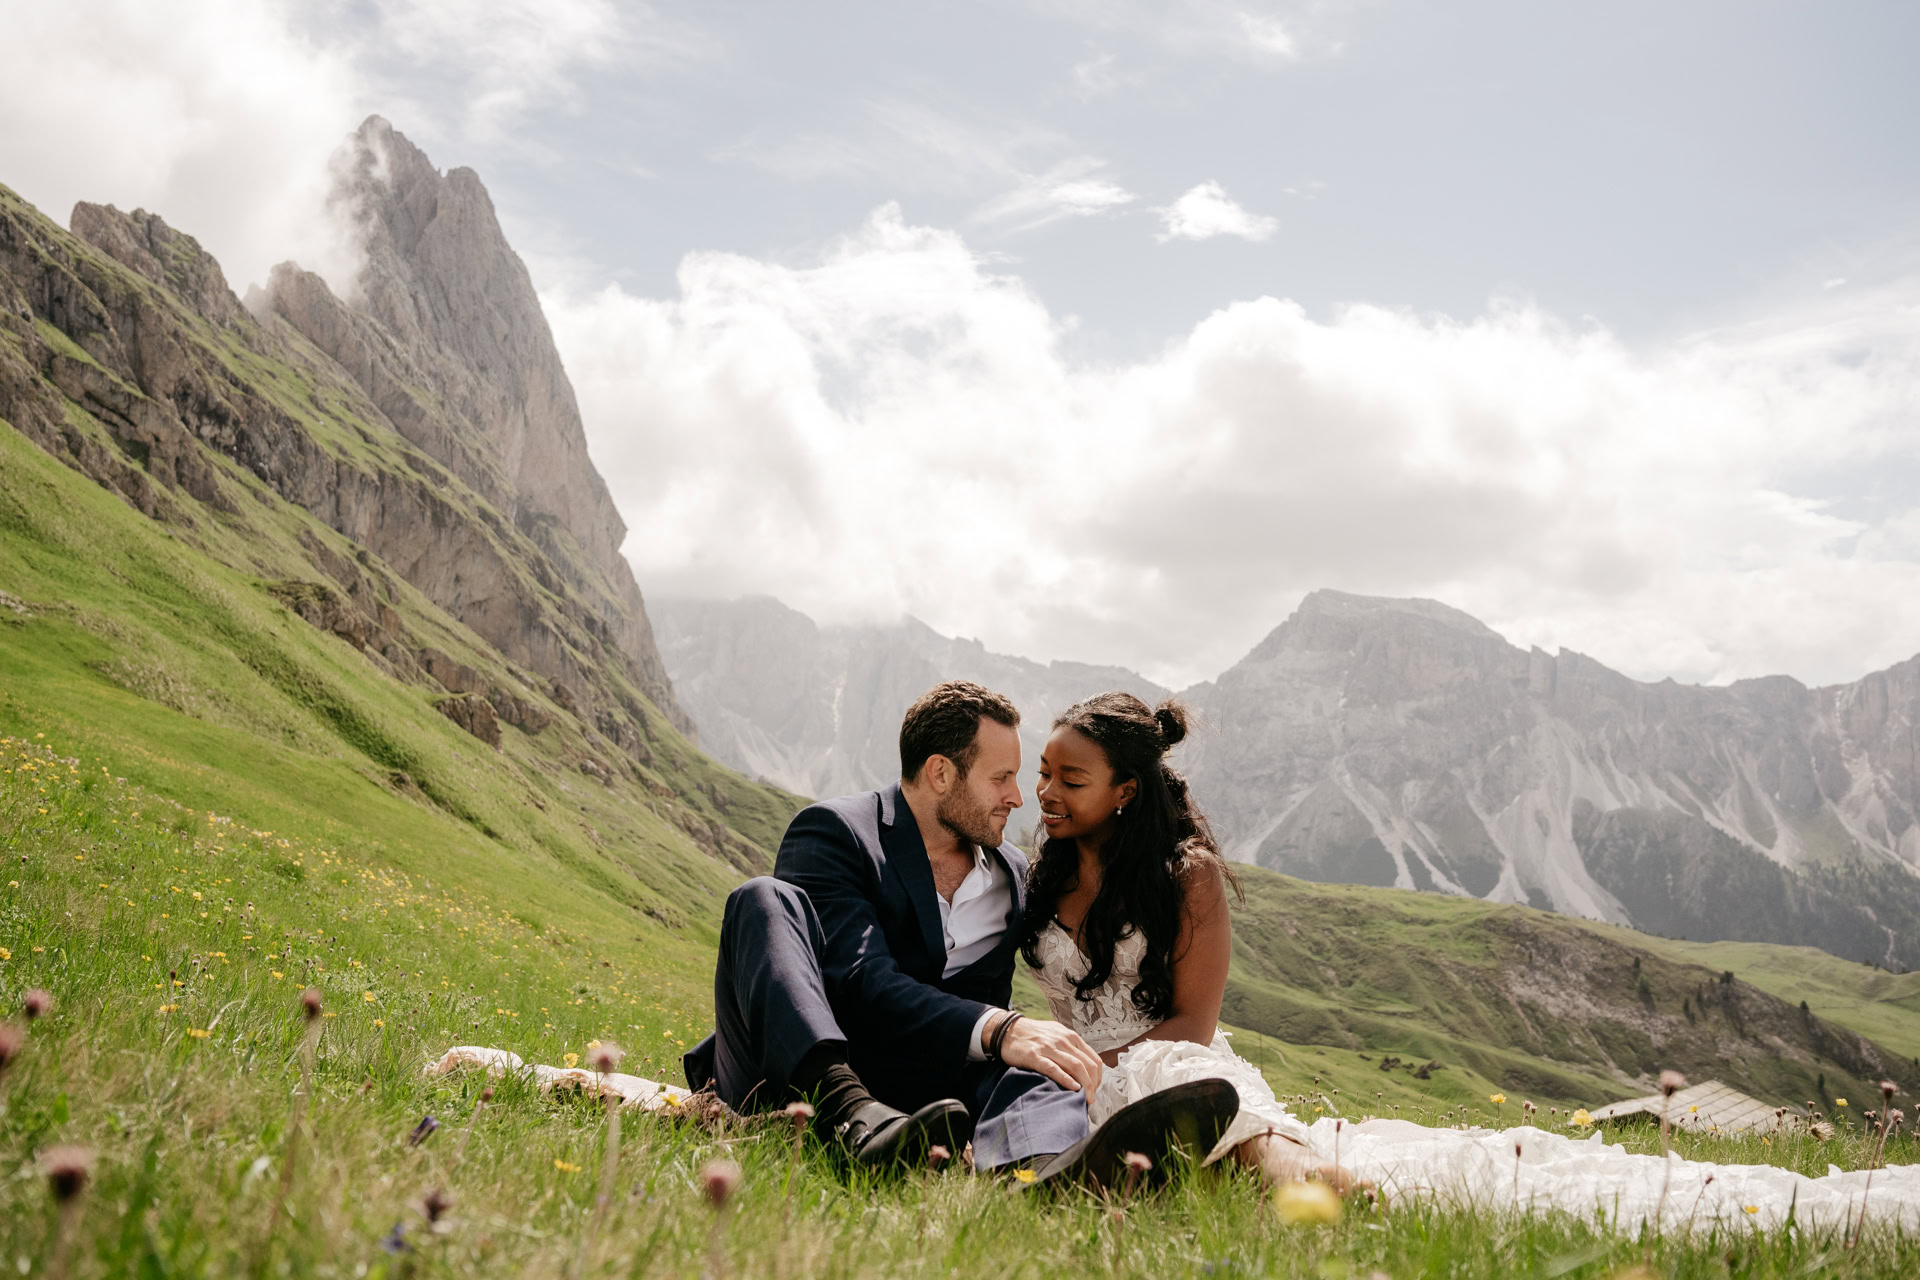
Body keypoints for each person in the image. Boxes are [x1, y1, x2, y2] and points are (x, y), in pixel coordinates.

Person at [683, 680, 1237, 1180]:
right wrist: (1002, 1028)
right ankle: (854, 1119)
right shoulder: (837, 833)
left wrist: (1027, 1046)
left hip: (932, 1098)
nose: (1020, 798)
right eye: (1002, 778)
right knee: (762, 898)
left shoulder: (1018, 875)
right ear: (941, 773)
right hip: (805, 1078)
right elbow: (859, 978)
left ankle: (1047, 1173)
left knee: (1038, 1066)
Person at [1021, 691, 1342, 1184]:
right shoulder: (1036, 880)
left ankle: (1310, 1178)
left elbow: (1195, 1022)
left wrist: (1088, 1068)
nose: (1047, 791)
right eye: (1044, 773)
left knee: (1178, 1076)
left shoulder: (1189, 875)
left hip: (1172, 1061)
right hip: (1071, 1085)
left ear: (1125, 792)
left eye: (1072, 781)